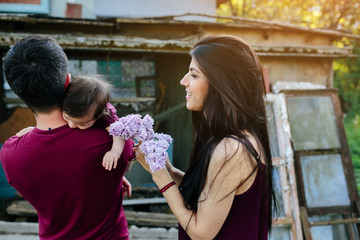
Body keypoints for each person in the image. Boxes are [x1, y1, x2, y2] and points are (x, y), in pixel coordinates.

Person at [135, 35, 277, 239]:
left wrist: (159, 176)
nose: (183, 81)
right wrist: (170, 170)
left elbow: (201, 233)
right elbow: (212, 194)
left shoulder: (231, 150)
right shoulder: (236, 139)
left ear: (222, 84)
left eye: (194, 75)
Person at [0, 35, 134, 239]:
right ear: (68, 81)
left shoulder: (11, 155)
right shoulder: (114, 140)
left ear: (19, 92)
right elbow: (121, 162)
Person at [16, 74, 126, 171]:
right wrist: (37, 130)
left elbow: (118, 133)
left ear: (97, 116)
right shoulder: (67, 104)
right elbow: (52, 126)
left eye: (81, 124)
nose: (71, 125)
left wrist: (114, 152)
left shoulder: (105, 115)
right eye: (67, 118)